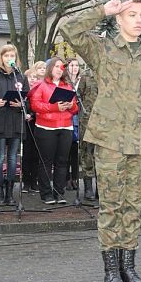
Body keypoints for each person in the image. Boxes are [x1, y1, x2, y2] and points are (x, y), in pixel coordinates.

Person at [60, 0, 141, 282]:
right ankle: (111, 270)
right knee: (111, 207)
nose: (137, 20)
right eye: (131, 14)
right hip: (110, 141)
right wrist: (102, 10)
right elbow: (69, 29)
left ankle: (128, 266)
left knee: (133, 207)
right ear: (119, 18)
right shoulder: (102, 48)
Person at [0, 44, 29, 206]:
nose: (10, 59)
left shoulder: (21, 77)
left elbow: (28, 99)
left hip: (16, 122)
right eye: (6, 56)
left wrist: (22, 104)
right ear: (1, 57)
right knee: (0, 157)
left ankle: (10, 192)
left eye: (12, 56)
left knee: (12, 158)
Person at [29, 57, 78, 205]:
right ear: (50, 68)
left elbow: (76, 108)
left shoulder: (68, 86)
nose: (59, 69)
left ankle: (59, 192)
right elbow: (35, 105)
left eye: (61, 67)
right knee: (46, 162)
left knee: (62, 162)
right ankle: (46, 194)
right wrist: (55, 107)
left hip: (65, 127)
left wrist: (70, 106)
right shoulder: (41, 85)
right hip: (46, 128)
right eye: (56, 66)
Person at [21, 62, 45, 193]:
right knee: (26, 154)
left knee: (37, 154)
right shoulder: (24, 93)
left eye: (35, 78)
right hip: (25, 125)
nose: (33, 80)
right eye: (30, 77)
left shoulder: (39, 91)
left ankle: (34, 181)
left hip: (36, 123)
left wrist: (33, 114)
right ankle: (26, 182)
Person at [77, 67, 99, 200]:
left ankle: (100, 188)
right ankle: (88, 187)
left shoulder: (108, 72)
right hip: (87, 120)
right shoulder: (86, 75)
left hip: (105, 120)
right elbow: (78, 95)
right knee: (87, 153)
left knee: (102, 155)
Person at [64, 58, 81, 191]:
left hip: (79, 118)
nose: (74, 68)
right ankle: (66, 179)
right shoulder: (65, 82)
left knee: (75, 152)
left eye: (76, 65)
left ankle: (74, 178)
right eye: (71, 65)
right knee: (66, 152)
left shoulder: (82, 81)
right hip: (67, 117)